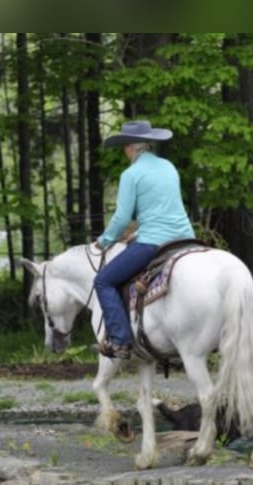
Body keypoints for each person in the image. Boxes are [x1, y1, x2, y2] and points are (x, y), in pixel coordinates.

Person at [93, 120, 195, 359]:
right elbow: (164, 210)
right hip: (186, 238)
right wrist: (138, 231)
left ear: (130, 148)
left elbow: (121, 218)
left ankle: (120, 341)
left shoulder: (131, 174)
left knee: (103, 281)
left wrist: (104, 241)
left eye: (124, 148)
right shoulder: (169, 166)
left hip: (153, 242)